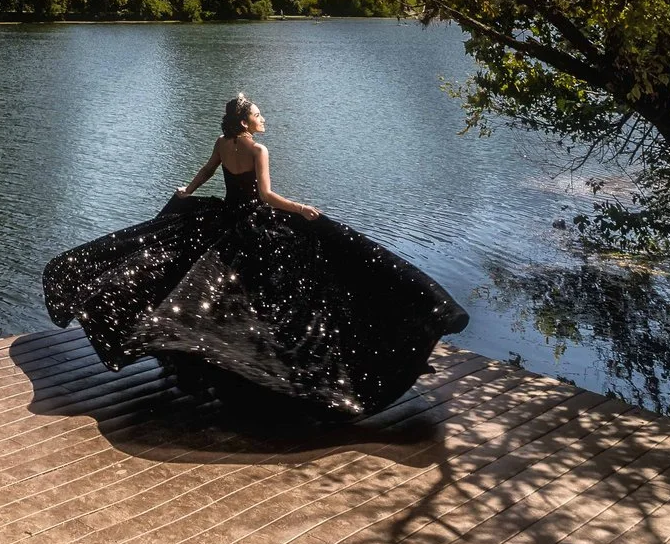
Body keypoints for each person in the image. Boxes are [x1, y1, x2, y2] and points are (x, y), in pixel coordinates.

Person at [42, 93, 468, 420]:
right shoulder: (258, 151)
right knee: (293, 288)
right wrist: (300, 209)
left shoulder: (223, 143)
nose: (265, 119)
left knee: (210, 286)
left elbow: (210, 171)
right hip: (253, 224)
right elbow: (265, 197)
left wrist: (186, 193)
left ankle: (227, 358)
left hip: (224, 217)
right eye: (260, 114)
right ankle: (287, 364)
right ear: (246, 121)